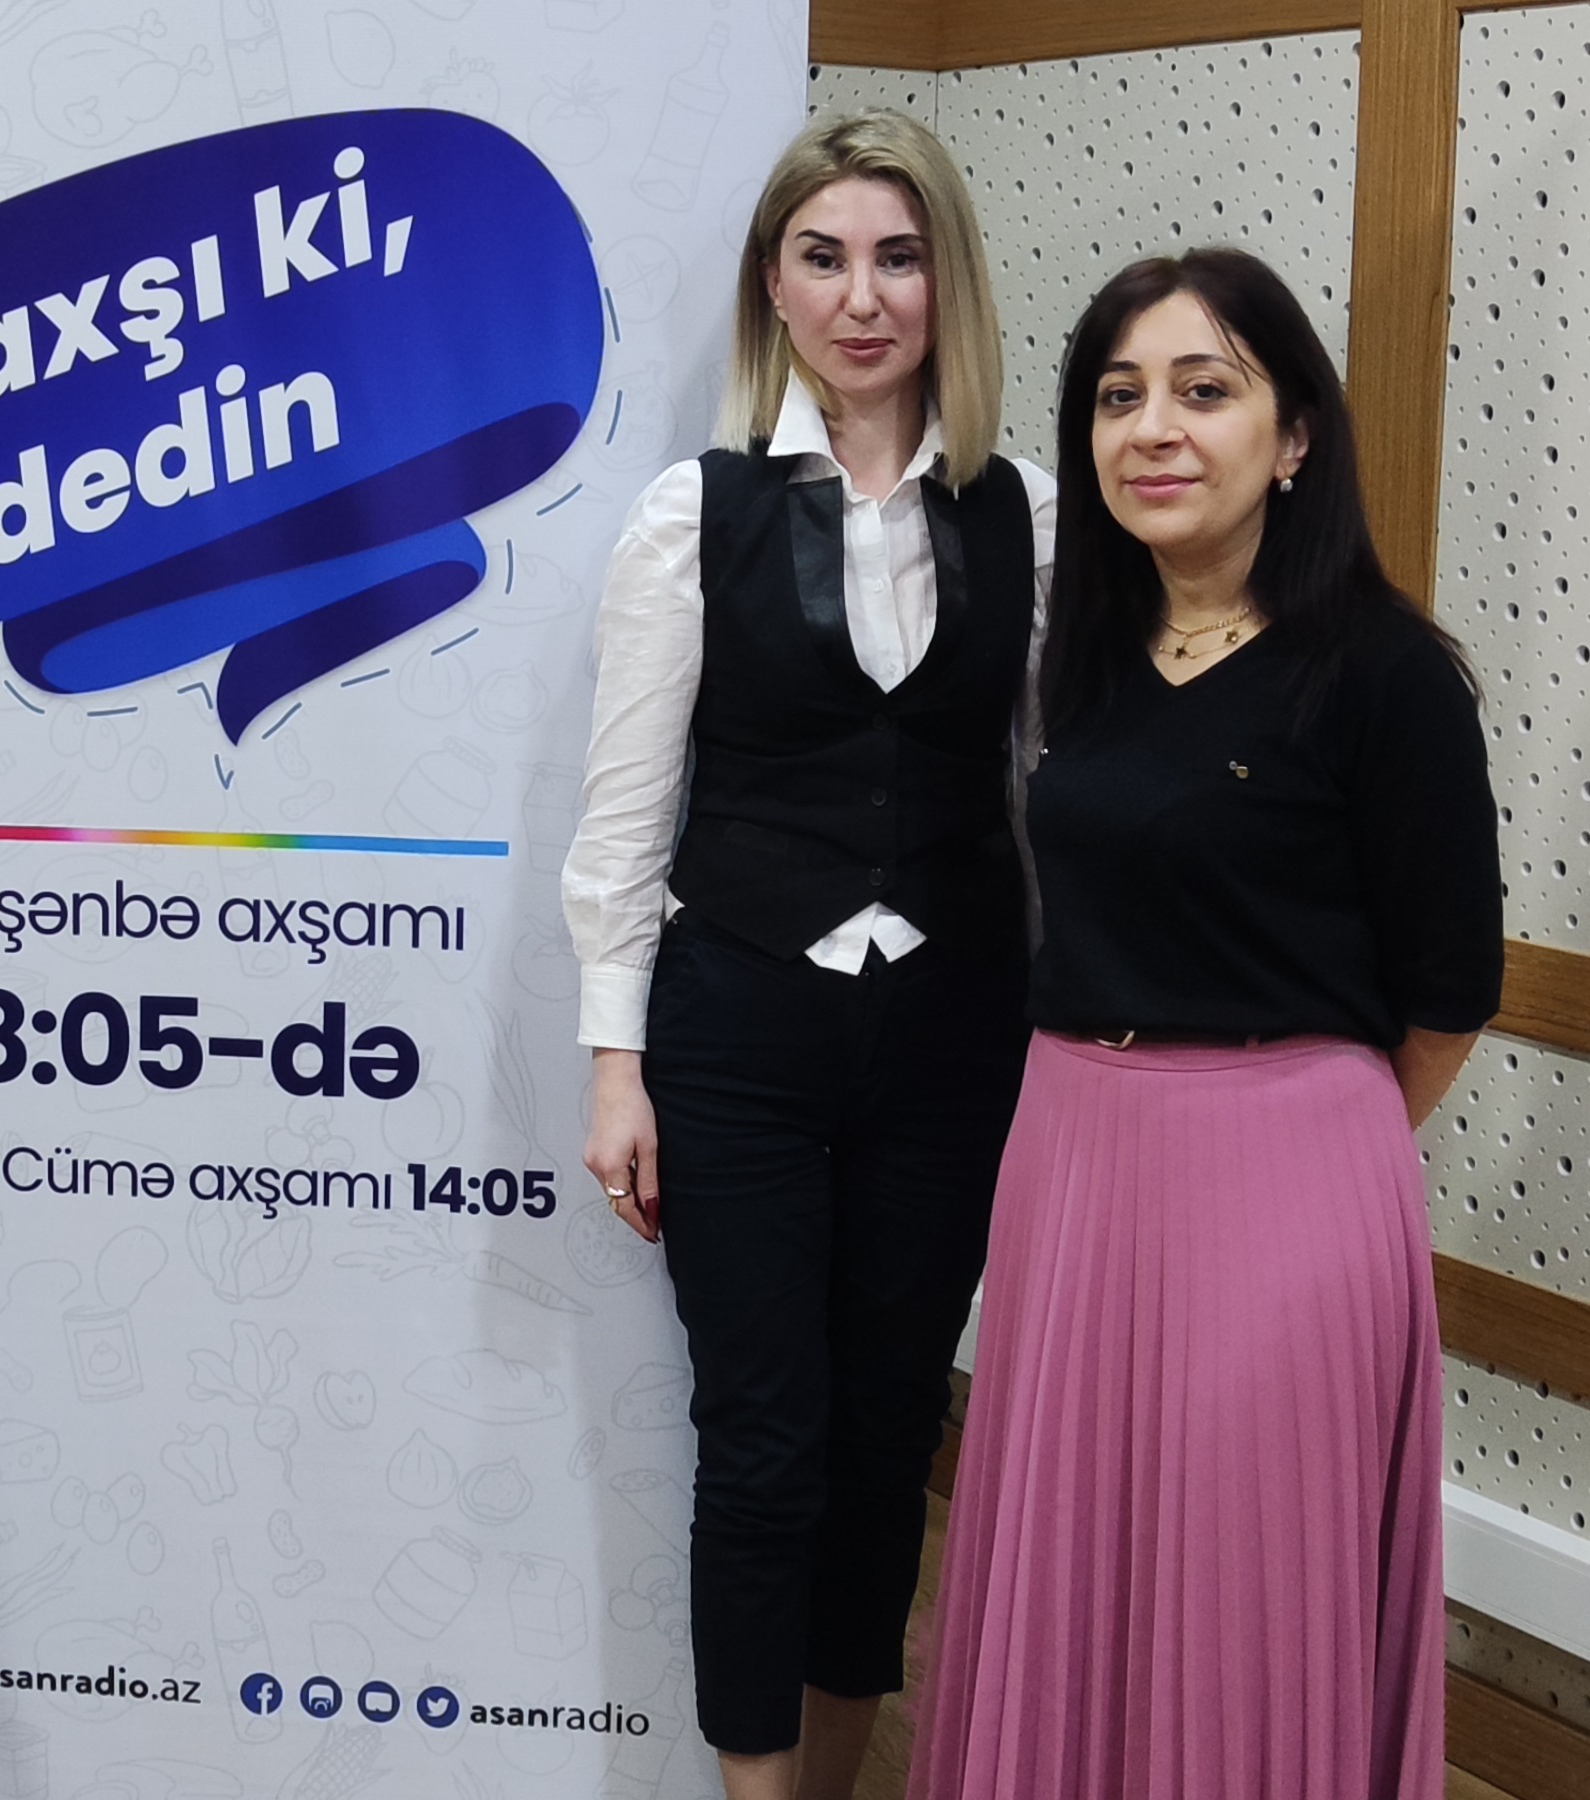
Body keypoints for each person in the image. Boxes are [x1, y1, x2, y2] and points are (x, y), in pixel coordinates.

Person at [910, 248, 1497, 1800]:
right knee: (1066, 1572)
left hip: (1286, 1184)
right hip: (1070, 1167)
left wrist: (1296, 1139)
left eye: (1204, 389)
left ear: (1294, 436)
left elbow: (1448, 995)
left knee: (1246, 1597)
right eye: (1119, 398)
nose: (1153, 429)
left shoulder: (1385, 674)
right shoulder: (1081, 662)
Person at [563, 111, 1053, 1800]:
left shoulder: (1029, 518)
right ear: (772, 287)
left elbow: (1049, 794)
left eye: (898, 258)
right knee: (762, 1443)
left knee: (889, 1434)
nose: (863, 298)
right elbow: (626, 820)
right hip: (739, 1041)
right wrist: (616, 1068)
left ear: (947, 281)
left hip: (955, 1039)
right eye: (823, 257)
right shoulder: (687, 518)